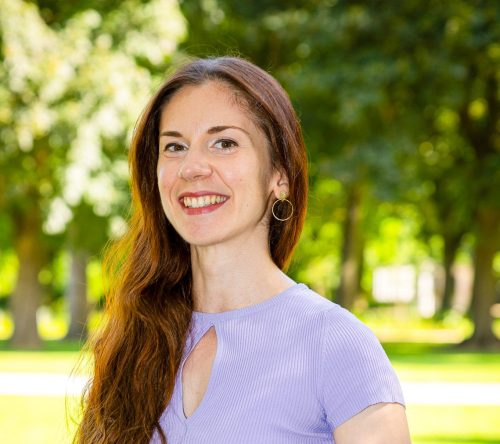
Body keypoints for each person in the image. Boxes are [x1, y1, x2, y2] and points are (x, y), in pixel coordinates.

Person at [74, 56, 411, 444]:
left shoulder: (335, 343)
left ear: (279, 175)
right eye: (175, 146)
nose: (192, 167)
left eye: (224, 143)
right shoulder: (133, 339)